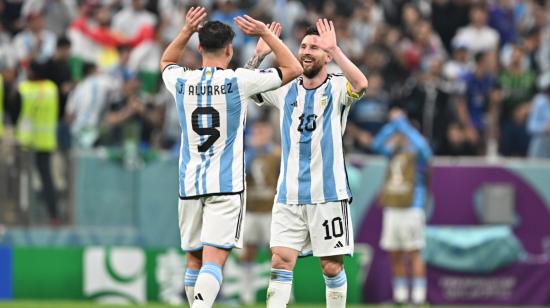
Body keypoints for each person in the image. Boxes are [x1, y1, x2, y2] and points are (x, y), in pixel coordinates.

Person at [159, 7, 302, 308]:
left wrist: (186, 29)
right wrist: (265, 36)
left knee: (194, 258)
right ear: (229, 49)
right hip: (226, 185)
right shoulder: (239, 81)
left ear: (199, 47)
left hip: (189, 184)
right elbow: (293, 69)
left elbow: (166, 61)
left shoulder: (183, 82)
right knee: (214, 259)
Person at [246, 19, 369, 308]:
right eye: (303, 46)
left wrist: (335, 49)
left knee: (330, 266)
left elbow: (361, 84)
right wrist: (259, 56)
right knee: (280, 260)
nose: (307, 51)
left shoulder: (338, 87)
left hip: (328, 195)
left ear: (326, 57)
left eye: (315, 47)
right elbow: (246, 87)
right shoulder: (285, 87)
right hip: (288, 196)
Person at [372, 108, 432, 307]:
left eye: (401, 133)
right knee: (394, 253)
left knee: (414, 252)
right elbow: (376, 144)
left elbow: (426, 149)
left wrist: (401, 123)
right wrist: (392, 126)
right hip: (392, 207)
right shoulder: (392, 153)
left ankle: (418, 297)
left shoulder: (418, 154)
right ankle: (400, 297)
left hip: (411, 208)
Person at [239, 118, 281, 305]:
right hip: (251, 209)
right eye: (256, 133)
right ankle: (246, 292)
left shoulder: (277, 154)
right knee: (249, 250)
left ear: (269, 133)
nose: (259, 136)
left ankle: (281, 291)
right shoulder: (247, 154)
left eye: (262, 132)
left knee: (277, 253)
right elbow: (242, 170)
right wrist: (253, 151)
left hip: (271, 210)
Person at [13, 61, 60, 224]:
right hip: (46, 141)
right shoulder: (52, 89)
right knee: (47, 180)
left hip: (24, 142)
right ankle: (53, 216)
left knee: (21, 179)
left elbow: (15, 113)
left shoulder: (24, 89)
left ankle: (20, 216)